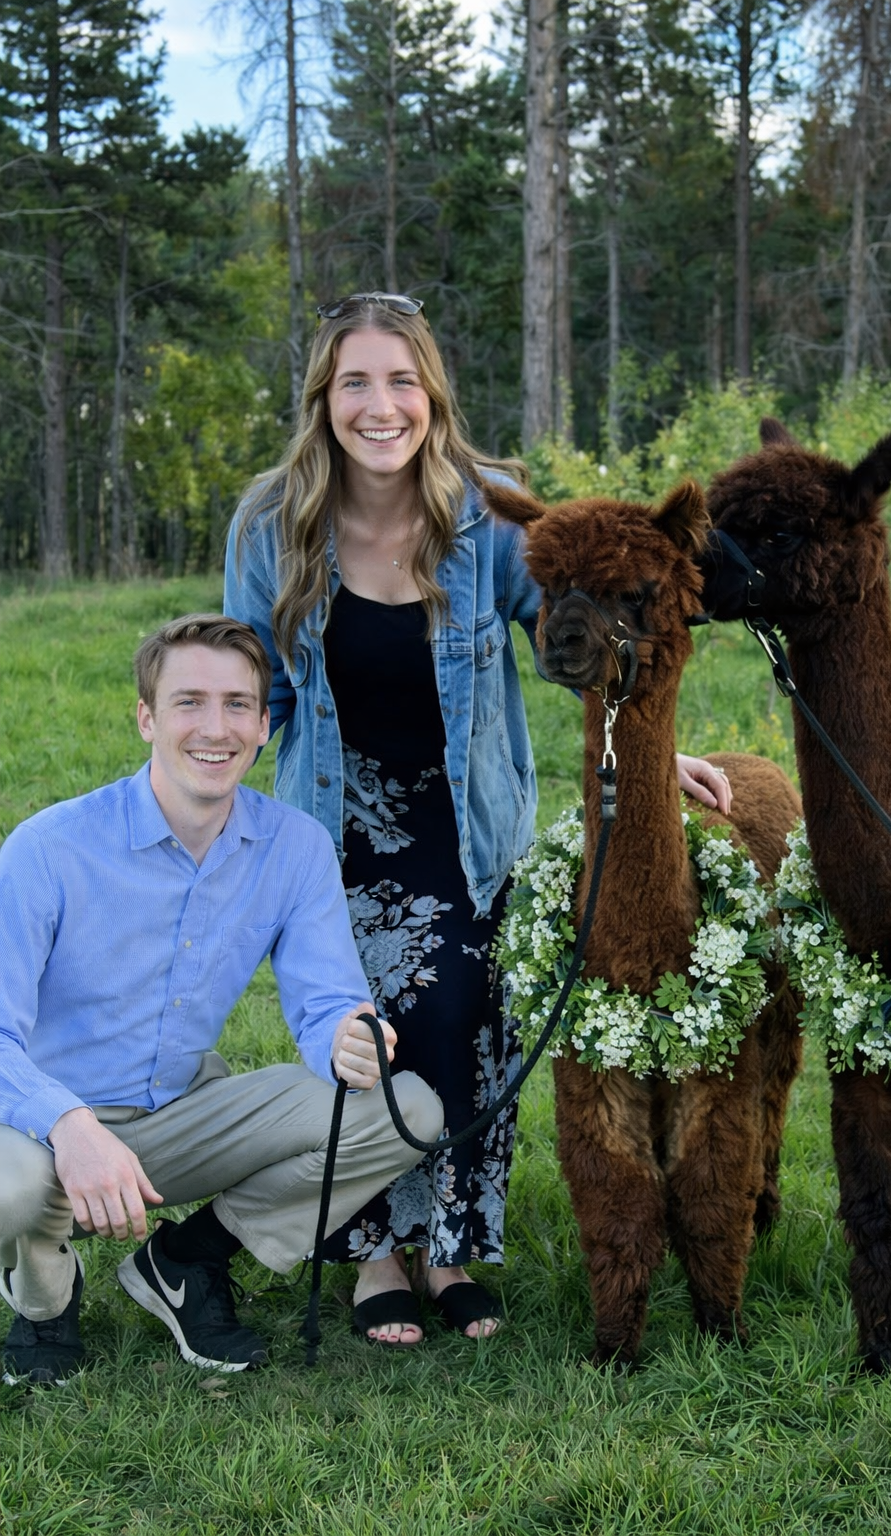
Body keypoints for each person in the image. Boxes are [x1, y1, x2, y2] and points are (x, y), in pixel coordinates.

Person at [225, 291, 733, 1347]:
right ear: (324, 399)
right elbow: (252, 685)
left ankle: (448, 1247)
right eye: (356, 382)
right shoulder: (270, 525)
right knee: (367, 1035)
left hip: (468, 829)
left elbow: (572, 635)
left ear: (432, 394)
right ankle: (373, 1259)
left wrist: (653, 750)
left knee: (463, 1020)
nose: (380, 406)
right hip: (337, 834)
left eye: (401, 381)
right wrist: (207, 796)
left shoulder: (484, 513)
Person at [0, 613, 443, 1385]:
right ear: (146, 718)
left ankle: (185, 1259)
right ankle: (44, 1301)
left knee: (407, 1112)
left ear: (266, 724)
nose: (217, 727)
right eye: (189, 702)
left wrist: (347, 1031)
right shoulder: (47, 848)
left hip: (176, 1114)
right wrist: (68, 1124)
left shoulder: (294, 844)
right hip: (41, 1125)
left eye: (239, 704)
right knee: (12, 1188)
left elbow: (325, 997)